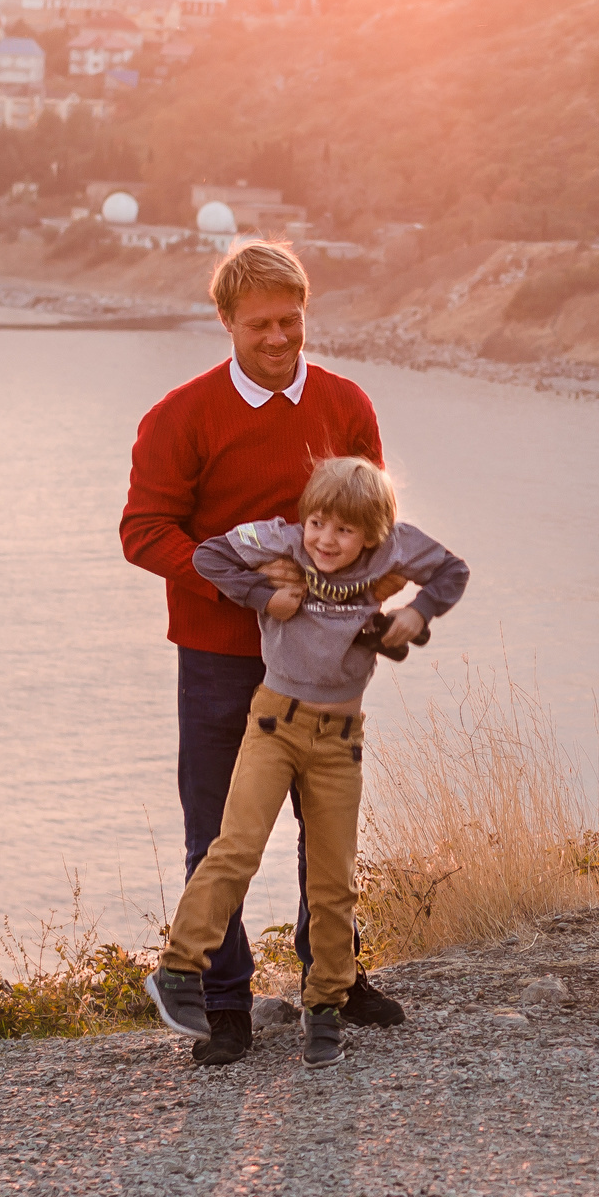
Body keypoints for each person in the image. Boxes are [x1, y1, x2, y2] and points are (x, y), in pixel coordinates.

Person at [121, 240, 384, 1066]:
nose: (279, 337)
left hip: (320, 663)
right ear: (226, 320)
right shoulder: (180, 415)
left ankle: (332, 984)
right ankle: (222, 1000)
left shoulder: (346, 403)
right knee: (218, 830)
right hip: (217, 657)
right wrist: (241, 587)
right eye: (261, 323)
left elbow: (372, 521)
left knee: (327, 828)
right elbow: (144, 531)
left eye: (292, 320)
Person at [147, 456, 467, 1068]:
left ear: (372, 535)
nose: (325, 539)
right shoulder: (281, 539)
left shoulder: (392, 550)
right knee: (235, 848)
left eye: (343, 531)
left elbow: (451, 570)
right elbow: (209, 556)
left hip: (340, 741)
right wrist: (264, 595)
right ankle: (178, 970)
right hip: (273, 725)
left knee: (332, 879)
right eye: (317, 522)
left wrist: (416, 614)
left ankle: (323, 1006)